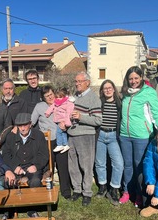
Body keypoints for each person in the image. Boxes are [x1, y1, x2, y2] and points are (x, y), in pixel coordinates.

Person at [119, 66, 158, 207]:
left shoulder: (149, 92)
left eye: (136, 78)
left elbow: (156, 113)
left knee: (139, 166)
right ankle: (127, 191)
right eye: (130, 78)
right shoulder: (125, 93)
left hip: (142, 136)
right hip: (124, 135)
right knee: (127, 165)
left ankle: (140, 194)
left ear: (141, 78)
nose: (133, 81)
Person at [67, 72, 102, 206]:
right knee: (73, 165)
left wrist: (81, 117)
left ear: (88, 82)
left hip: (86, 135)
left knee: (86, 166)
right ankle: (77, 189)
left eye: (80, 81)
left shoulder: (93, 98)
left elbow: (98, 120)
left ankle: (87, 193)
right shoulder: (74, 97)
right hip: (72, 135)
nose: (77, 84)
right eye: (76, 81)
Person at [32, 86, 72, 199]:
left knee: (63, 165)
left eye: (51, 94)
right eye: (47, 96)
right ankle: (48, 189)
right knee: (48, 167)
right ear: (43, 98)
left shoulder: (62, 103)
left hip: (60, 140)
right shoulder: (39, 107)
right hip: (46, 141)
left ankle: (66, 191)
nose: (50, 97)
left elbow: (69, 114)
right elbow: (32, 121)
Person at [94, 79, 124, 206]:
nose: (107, 90)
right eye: (105, 88)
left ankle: (114, 189)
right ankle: (102, 186)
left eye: (109, 87)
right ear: (102, 90)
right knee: (100, 163)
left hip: (113, 136)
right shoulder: (99, 103)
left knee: (118, 163)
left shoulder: (119, 103)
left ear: (113, 89)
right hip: (100, 135)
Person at [2, 113, 49, 188]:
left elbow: (44, 154)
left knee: (35, 181)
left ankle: (33, 199)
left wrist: (36, 166)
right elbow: (6, 155)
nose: (22, 128)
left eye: (25, 125)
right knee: (7, 182)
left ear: (30, 124)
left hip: (33, 167)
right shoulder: (11, 137)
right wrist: (14, 166)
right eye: (20, 126)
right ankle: (15, 199)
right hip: (17, 167)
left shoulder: (39, 135)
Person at [45, 87, 74, 154]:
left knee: (58, 132)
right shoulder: (56, 103)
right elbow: (51, 108)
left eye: (60, 97)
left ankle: (59, 144)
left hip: (63, 121)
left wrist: (67, 122)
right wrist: (47, 113)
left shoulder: (67, 103)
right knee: (63, 133)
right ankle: (65, 144)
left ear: (64, 97)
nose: (58, 99)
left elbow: (68, 113)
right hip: (58, 120)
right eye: (57, 97)